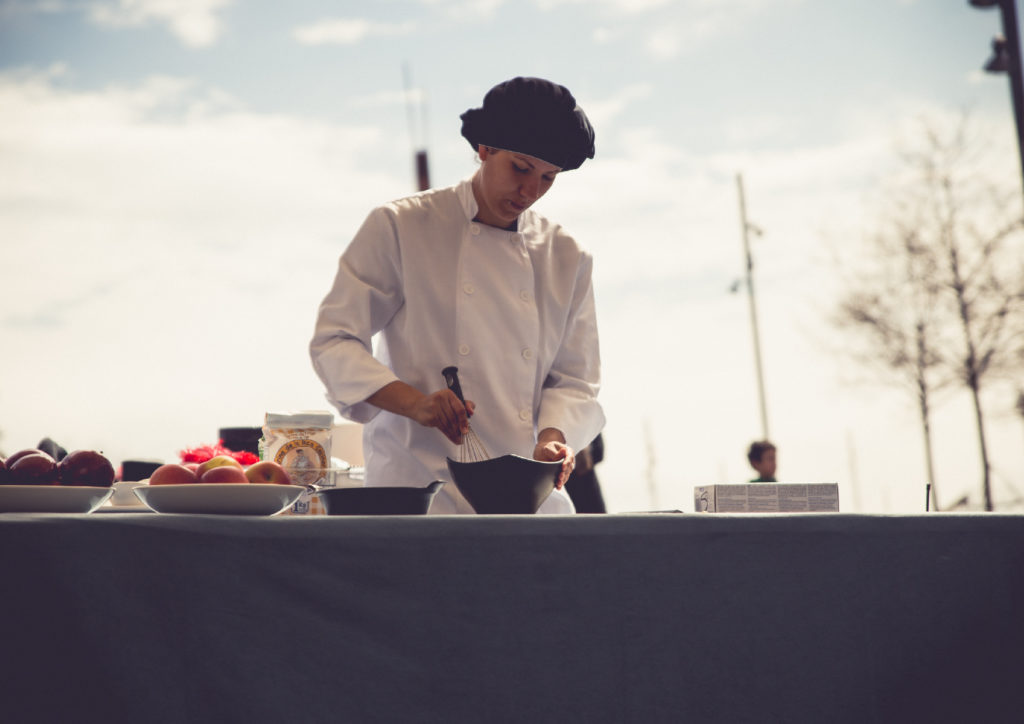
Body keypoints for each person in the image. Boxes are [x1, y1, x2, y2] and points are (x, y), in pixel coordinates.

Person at [309, 76, 604, 514]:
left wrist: (554, 439)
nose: (531, 192)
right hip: (417, 495)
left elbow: (575, 381)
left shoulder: (566, 256)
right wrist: (417, 404)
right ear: (484, 148)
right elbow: (335, 342)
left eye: (548, 178)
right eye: (520, 169)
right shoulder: (401, 226)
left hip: (531, 502)